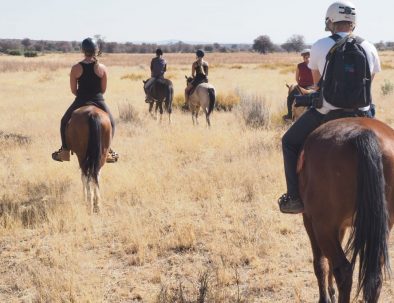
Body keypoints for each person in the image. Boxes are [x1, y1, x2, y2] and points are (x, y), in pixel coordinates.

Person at [278, 0, 381, 214]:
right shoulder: (369, 47)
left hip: (326, 112)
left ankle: (294, 198)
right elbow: (369, 81)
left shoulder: (320, 45)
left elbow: (317, 83)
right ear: (354, 22)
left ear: (330, 21)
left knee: (288, 142)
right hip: (361, 113)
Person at [52, 38, 118, 163]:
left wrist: (83, 96)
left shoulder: (76, 68)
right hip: (99, 100)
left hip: (81, 99)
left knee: (64, 121)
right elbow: (103, 90)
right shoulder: (102, 68)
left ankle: (65, 151)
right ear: (96, 51)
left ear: (83, 51)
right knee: (112, 123)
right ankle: (108, 151)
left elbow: (73, 90)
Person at [283, 49, 314, 120]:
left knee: (290, 98)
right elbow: (297, 78)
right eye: (305, 57)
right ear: (303, 58)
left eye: (308, 57)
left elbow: (297, 79)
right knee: (290, 98)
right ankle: (290, 115)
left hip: (310, 87)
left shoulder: (314, 65)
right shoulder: (300, 66)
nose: (306, 59)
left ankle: (290, 116)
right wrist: (300, 85)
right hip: (303, 86)